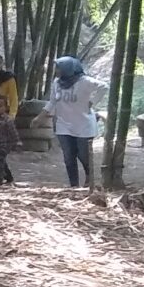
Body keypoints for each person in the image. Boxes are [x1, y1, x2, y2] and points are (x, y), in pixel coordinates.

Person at [48, 56, 105, 188]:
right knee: (68, 157)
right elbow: (52, 102)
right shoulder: (57, 82)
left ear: (68, 69)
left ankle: (89, 176)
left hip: (83, 125)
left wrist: (93, 102)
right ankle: (74, 185)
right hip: (63, 124)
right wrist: (40, 117)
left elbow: (103, 86)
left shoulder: (84, 81)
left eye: (59, 68)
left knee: (83, 155)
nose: (56, 71)